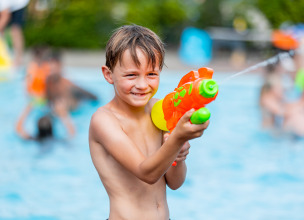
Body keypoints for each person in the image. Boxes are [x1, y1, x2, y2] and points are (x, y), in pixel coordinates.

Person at [89, 25, 209, 220]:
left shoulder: (159, 110)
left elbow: (175, 182)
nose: (143, 85)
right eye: (131, 75)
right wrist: (177, 138)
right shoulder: (104, 121)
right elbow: (146, 173)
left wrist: (178, 156)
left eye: (151, 74)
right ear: (108, 74)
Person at [46, 50, 98, 137]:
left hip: (74, 113)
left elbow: (92, 96)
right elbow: (48, 100)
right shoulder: (48, 82)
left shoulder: (67, 84)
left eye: (53, 68)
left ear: (59, 66)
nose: (51, 71)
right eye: (50, 68)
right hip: (59, 112)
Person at [0, 0, 29, 66]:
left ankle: (18, 60)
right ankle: (4, 54)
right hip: (7, 7)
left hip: (18, 4)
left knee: (15, 29)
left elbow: (6, 16)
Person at [259, 60, 285, 129]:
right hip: (269, 132)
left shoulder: (269, 99)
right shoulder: (268, 101)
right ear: (272, 88)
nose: (283, 90)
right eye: (279, 87)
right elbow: (282, 112)